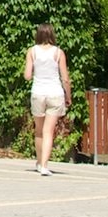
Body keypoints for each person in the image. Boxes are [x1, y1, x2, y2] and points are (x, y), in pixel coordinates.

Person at [23, 23, 71, 176]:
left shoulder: (32, 51)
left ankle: (38, 162)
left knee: (39, 131)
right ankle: (44, 165)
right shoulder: (58, 53)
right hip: (55, 93)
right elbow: (65, 78)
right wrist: (68, 96)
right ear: (52, 35)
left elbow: (27, 76)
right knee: (49, 131)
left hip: (38, 92)